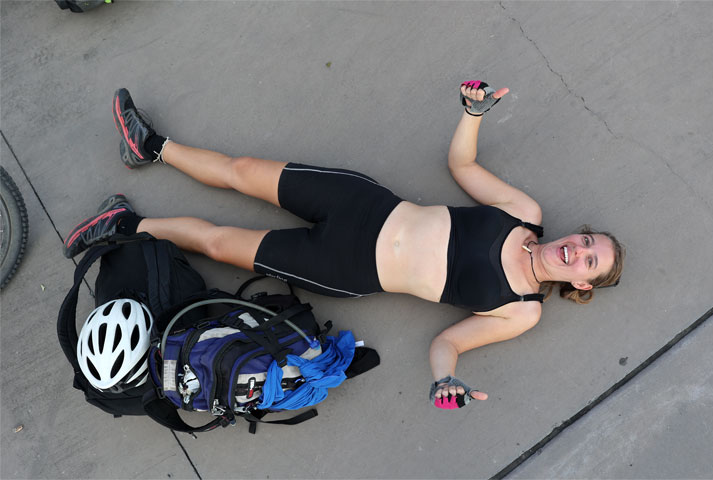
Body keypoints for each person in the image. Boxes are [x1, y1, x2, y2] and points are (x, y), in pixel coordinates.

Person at [64, 81, 625, 409]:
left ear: (581, 284)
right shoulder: (524, 215)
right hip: (365, 205)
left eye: (589, 261)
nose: (578, 249)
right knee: (241, 169)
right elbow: (462, 164)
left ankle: (126, 227)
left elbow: (447, 345)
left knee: (217, 241)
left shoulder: (519, 312)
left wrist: (444, 380)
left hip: (348, 266)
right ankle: (150, 146)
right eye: (586, 240)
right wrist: (472, 114)